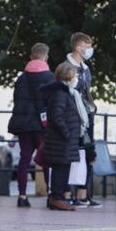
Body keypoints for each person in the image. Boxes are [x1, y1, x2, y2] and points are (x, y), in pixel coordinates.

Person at [8, 42, 54, 208]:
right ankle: (51, 195)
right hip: (42, 126)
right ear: (45, 57)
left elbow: (17, 101)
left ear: (31, 57)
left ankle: (22, 195)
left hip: (23, 125)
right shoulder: (49, 77)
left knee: (24, 159)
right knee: (48, 160)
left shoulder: (21, 78)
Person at [64, 32, 101, 207]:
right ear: (78, 47)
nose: (89, 50)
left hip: (87, 116)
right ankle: (65, 193)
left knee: (88, 153)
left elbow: (88, 92)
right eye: (87, 46)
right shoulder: (66, 67)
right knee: (70, 153)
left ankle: (82, 195)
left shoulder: (86, 69)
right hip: (72, 116)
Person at [41, 62, 83, 211]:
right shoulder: (60, 94)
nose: (77, 78)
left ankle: (58, 197)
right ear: (68, 76)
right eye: (75, 75)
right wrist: (67, 133)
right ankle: (56, 197)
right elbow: (57, 116)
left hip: (65, 140)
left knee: (64, 168)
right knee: (60, 168)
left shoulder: (66, 92)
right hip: (61, 140)